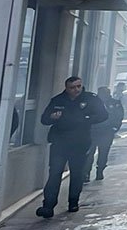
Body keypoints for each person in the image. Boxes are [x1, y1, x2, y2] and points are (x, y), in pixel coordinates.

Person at [37, 76, 108, 217]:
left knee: (77, 173)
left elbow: (103, 115)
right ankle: (48, 206)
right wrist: (53, 117)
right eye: (72, 87)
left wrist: (87, 119)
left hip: (80, 142)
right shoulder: (58, 100)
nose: (76, 90)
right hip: (60, 142)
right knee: (55, 172)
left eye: (78, 86)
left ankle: (73, 202)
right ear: (66, 88)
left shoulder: (90, 99)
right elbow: (44, 119)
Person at [85, 86, 125, 182]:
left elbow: (119, 116)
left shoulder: (115, 103)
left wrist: (114, 128)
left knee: (103, 153)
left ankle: (100, 171)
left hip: (106, 132)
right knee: (89, 154)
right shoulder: (92, 103)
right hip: (92, 132)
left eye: (105, 93)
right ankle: (86, 173)